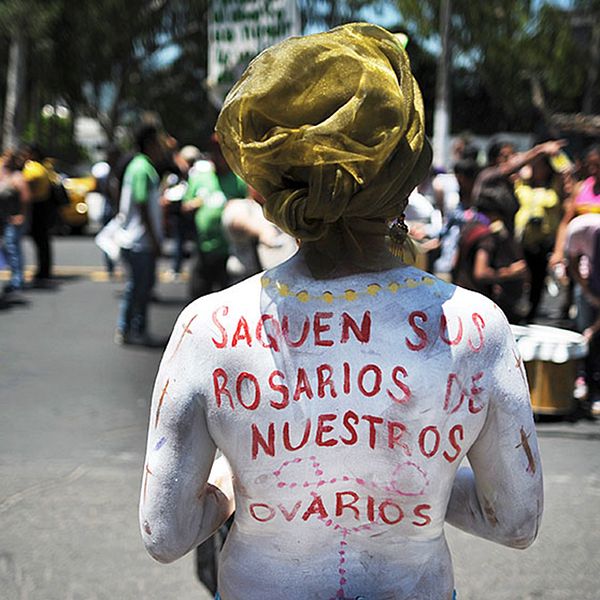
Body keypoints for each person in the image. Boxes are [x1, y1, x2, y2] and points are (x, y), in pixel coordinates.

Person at [139, 24, 543, 599]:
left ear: (275, 182)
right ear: (405, 174)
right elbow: (516, 521)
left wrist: (234, 482)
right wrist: (412, 484)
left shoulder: (209, 327)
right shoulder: (476, 327)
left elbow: (165, 532)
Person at [114, 124, 164, 345]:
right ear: (150, 143)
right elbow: (142, 204)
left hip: (134, 238)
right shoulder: (142, 167)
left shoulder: (137, 165)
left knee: (138, 286)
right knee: (139, 287)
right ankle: (132, 329)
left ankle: (130, 328)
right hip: (139, 240)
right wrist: (154, 238)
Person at [473, 138, 567, 235]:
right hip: (484, 237)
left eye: (513, 155)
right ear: (493, 160)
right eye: (505, 156)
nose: (511, 159)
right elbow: (510, 167)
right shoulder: (487, 175)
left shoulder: (512, 183)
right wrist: (540, 150)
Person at [514, 155, 563, 321]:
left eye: (540, 166)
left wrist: (554, 155)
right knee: (520, 275)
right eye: (533, 166)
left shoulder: (556, 186)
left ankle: (532, 312)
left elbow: (566, 168)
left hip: (544, 241)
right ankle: (517, 308)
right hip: (522, 241)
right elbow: (512, 165)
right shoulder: (521, 184)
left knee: (538, 278)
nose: (536, 170)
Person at [0, 149, 30, 298]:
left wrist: (21, 215)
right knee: (6, 248)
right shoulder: (2, 175)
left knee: (12, 248)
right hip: (3, 218)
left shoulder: (17, 177)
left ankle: (17, 280)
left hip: (14, 218)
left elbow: (25, 198)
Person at [21, 144, 54, 283]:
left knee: (40, 240)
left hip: (37, 206)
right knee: (43, 241)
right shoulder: (45, 167)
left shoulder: (33, 167)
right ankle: (44, 269)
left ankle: (43, 271)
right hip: (44, 206)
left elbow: (27, 182)